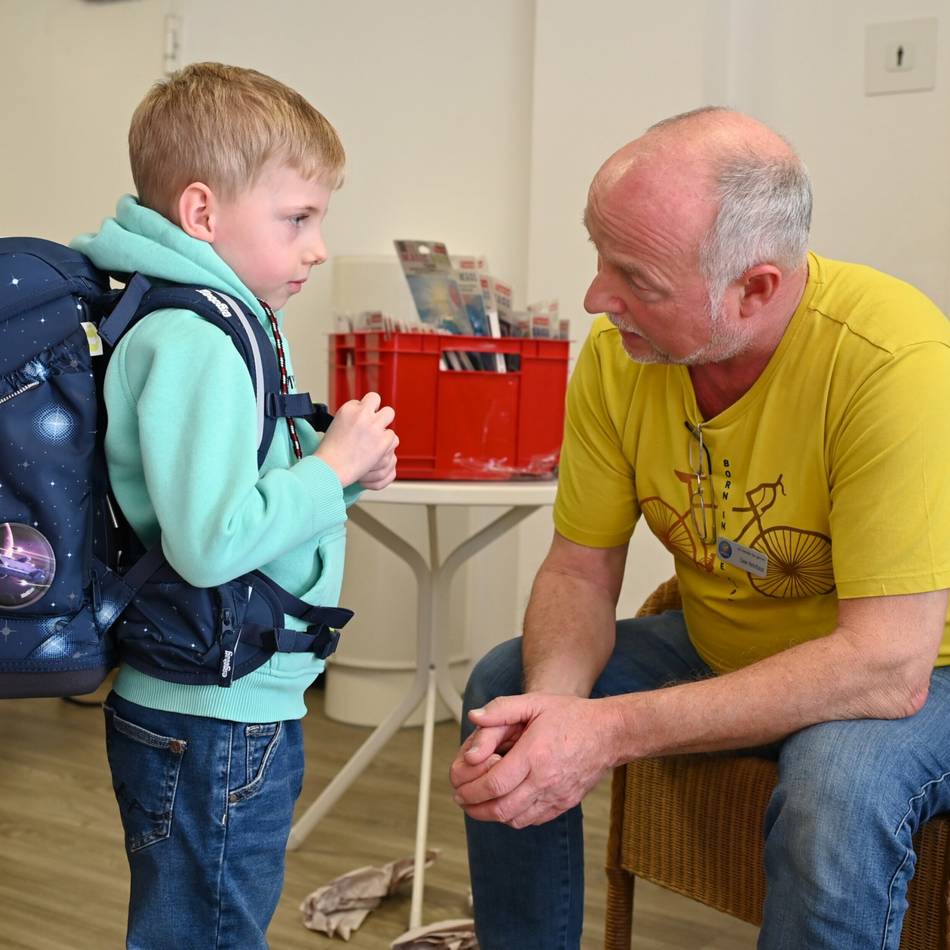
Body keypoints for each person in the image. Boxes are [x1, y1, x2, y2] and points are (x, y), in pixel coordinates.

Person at [450, 106, 950, 950]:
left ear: (755, 289)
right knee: (506, 699)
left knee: (835, 792)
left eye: (636, 279)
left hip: (918, 668)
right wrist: (556, 718)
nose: (596, 299)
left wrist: (606, 732)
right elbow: (578, 570)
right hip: (729, 642)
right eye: (598, 256)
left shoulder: (892, 363)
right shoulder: (622, 354)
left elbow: (885, 665)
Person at [72, 63, 398, 948]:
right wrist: (328, 471)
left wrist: (343, 473)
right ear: (203, 214)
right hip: (212, 717)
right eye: (298, 218)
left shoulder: (214, 316)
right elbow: (213, 543)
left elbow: (236, 502)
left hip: (227, 705)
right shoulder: (196, 339)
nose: (317, 246)